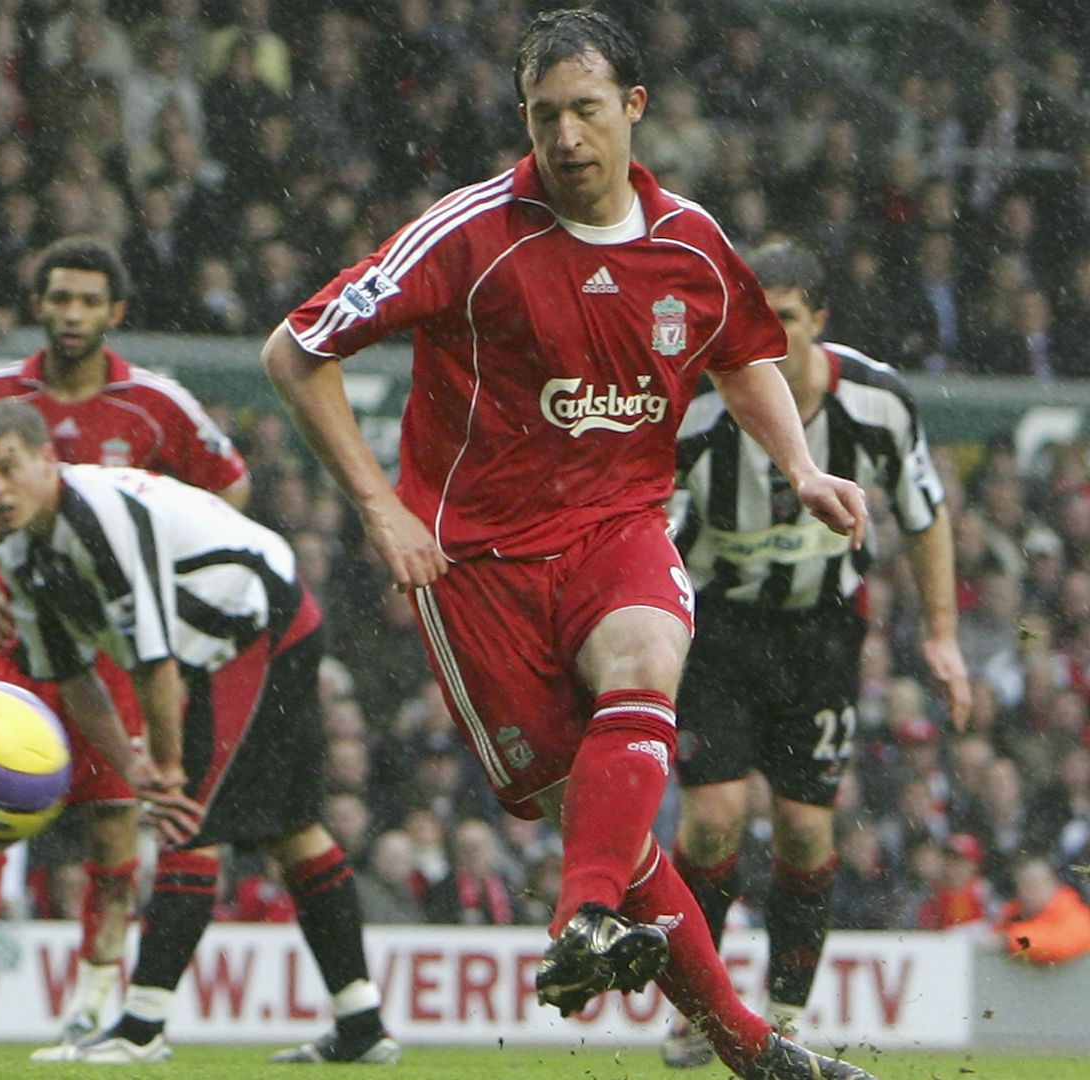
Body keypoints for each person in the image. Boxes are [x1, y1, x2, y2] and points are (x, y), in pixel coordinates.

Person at [260, 10, 872, 1080]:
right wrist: (378, 507)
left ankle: (580, 924)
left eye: (588, 110)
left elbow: (741, 355)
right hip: (478, 566)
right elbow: (294, 349)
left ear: (633, 108)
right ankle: (748, 1045)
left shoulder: (689, 242)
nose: (568, 137)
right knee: (601, 823)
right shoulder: (467, 234)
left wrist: (800, 468)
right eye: (545, 116)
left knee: (646, 666)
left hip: (619, 523)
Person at [0, 238, 250, 1060]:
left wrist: (171, 590)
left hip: (119, 646)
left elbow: (231, 487)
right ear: (37, 303)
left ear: (115, 313)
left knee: (115, 831)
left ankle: (91, 1011)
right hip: (28, 639)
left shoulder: (158, 404)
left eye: (87, 301)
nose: (70, 313)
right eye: (57, 298)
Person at [0, 399, 395, 1064]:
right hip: (236, 636)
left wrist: (165, 772)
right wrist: (136, 773)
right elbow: (77, 681)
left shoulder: (97, 518)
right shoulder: (19, 554)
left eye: (7, 469)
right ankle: (362, 1026)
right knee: (292, 830)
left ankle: (141, 1028)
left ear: (48, 459)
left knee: (188, 823)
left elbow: (154, 660)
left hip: (259, 623)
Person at [663, 243, 968, 1068]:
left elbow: (924, 514)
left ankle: (786, 1014)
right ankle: (701, 1009)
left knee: (802, 830)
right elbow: (640, 508)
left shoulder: (877, 403)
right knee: (715, 817)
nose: (767, 335)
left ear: (819, 321)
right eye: (754, 317)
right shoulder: (695, 399)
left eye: (785, 318)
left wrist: (941, 632)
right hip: (719, 627)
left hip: (822, 631)